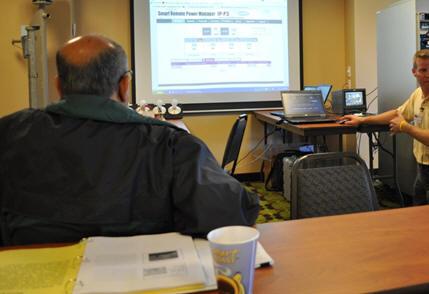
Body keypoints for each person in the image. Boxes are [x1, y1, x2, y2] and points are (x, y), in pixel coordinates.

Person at [0, 35, 260, 246]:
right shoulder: (173, 146)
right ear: (125, 86)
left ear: (58, 86)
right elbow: (229, 217)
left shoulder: (10, 130)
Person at [341, 49, 429, 205]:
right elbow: (397, 113)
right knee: (421, 218)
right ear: (414, 72)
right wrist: (362, 121)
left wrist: (405, 127)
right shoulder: (418, 95)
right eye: (423, 70)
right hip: (424, 169)